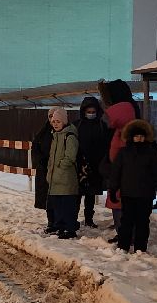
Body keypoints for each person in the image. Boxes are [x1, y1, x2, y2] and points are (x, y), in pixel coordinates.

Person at [108, 119, 157, 253]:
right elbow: (116, 172)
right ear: (131, 137)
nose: (139, 139)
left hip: (145, 195)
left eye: (141, 136)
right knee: (126, 221)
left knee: (142, 222)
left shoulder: (151, 153)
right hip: (128, 194)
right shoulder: (124, 153)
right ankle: (123, 246)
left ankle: (140, 248)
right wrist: (113, 189)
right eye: (136, 136)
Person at [98, 79, 139, 238]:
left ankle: (126, 235)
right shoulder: (129, 113)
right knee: (122, 204)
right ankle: (124, 233)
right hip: (121, 170)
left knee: (122, 204)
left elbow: (107, 122)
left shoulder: (123, 112)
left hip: (122, 172)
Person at [45, 106, 81, 239]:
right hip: (55, 178)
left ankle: (69, 229)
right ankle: (60, 227)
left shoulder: (69, 136)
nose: (55, 124)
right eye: (54, 122)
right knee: (58, 206)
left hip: (66, 178)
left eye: (58, 122)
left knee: (67, 206)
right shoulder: (55, 136)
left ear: (64, 122)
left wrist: (60, 165)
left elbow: (70, 156)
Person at [76, 96, 110, 228]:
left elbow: (106, 144)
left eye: (93, 111)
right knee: (77, 194)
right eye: (88, 112)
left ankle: (89, 219)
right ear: (84, 111)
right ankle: (74, 217)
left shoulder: (102, 126)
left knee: (90, 195)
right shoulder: (77, 125)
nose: (91, 114)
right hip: (80, 166)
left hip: (96, 166)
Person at [31, 115, 55, 233]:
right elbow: (35, 147)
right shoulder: (43, 133)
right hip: (44, 169)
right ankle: (51, 222)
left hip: (58, 170)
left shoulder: (65, 133)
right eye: (50, 117)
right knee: (47, 196)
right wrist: (41, 160)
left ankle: (58, 221)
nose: (53, 120)